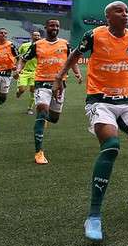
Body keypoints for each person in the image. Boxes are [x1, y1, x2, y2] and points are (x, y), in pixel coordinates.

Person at [53, 1, 128, 242]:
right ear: (108, 17)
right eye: (119, 11)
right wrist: (60, 76)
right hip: (100, 101)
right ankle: (94, 215)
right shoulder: (94, 36)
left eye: (127, 10)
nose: (125, 14)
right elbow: (75, 55)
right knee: (111, 146)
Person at [15, 19, 81, 164]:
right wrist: (18, 70)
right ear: (46, 27)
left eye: (57, 25)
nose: (55, 28)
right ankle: (39, 152)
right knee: (42, 111)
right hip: (41, 83)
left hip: (60, 85)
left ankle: (45, 119)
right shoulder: (37, 44)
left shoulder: (65, 44)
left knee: (54, 118)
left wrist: (77, 73)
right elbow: (23, 59)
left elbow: (72, 60)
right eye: (52, 25)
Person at [15, 31, 41, 115]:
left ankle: (30, 108)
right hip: (24, 72)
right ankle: (19, 92)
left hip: (35, 72)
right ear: (31, 36)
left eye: (38, 35)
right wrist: (17, 68)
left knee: (33, 91)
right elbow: (18, 57)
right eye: (35, 35)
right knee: (22, 89)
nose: (37, 36)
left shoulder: (41, 47)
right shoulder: (24, 46)